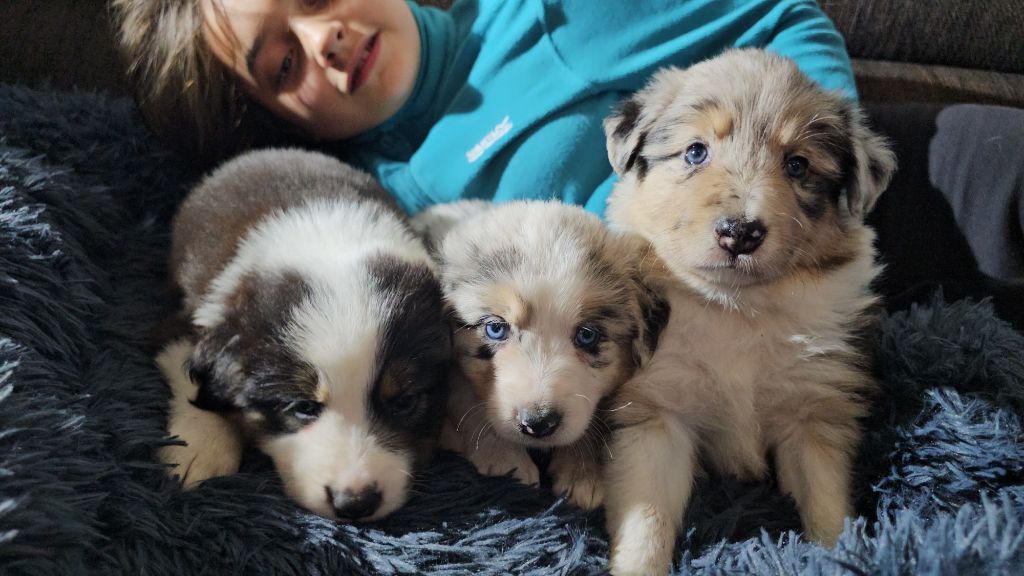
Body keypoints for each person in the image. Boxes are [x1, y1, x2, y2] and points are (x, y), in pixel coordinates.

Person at [113, 0, 1023, 325]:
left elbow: (782, 15)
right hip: (713, 359)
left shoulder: (545, 12)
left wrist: (806, 185)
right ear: (266, 114)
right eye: (282, 62)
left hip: (879, 208)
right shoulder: (376, 200)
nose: (326, 37)